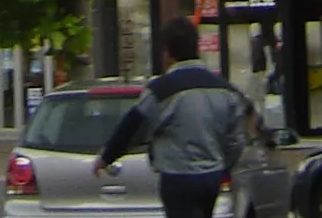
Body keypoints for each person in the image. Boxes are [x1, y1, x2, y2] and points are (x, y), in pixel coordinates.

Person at [93, 16, 249, 218]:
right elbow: (237, 139)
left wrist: (107, 157)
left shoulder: (161, 90)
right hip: (211, 177)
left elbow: (133, 126)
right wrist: (222, 166)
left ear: (167, 53)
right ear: (196, 47)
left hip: (178, 178)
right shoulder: (224, 89)